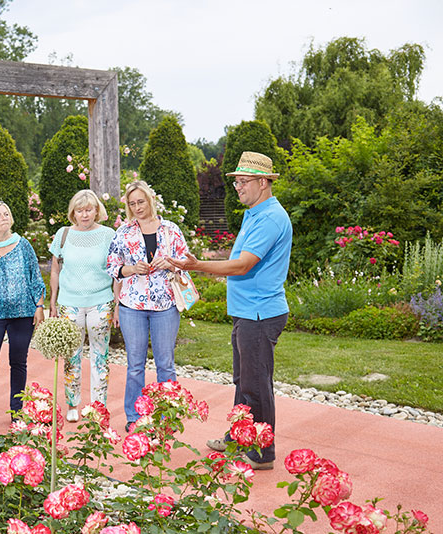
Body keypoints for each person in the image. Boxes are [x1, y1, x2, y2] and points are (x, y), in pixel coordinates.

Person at [169, 151, 292, 470]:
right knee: (244, 379)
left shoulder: (271, 217)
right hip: (248, 312)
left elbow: (242, 265)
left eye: (243, 181)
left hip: (261, 313)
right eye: (236, 181)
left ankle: (263, 451)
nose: (237, 186)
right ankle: (240, 436)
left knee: (256, 383)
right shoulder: (255, 213)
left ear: (263, 182)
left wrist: (197, 265)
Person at [106, 181, 190, 433]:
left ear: (150, 200)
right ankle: (134, 416)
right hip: (132, 304)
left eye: (140, 201)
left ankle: (167, 416)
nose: (137, 207)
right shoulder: (123, 232)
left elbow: (187, 260)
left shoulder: (171, 229)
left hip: (165, 304)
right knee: (135, 365)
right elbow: (111, 266)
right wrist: (131, 269)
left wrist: (171, 262)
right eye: (132, 204)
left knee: (165, 363)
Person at [0, 201, 45, 416]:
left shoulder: (23, 245)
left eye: (6, 214)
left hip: (22, 313)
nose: (4, 217)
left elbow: (35, 278)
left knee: (19, 363)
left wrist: (39, 306)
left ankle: (17, 411)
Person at [49, 190, 115, 422]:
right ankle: (72, 403)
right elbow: (56, 270)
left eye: (89, 210)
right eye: (80, 210)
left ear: (97, 210)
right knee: (72, 356)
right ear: (73, 213)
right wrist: (53, 301)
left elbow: (116, 271)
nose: (84, 215)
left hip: (101, 302)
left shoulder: (108, 235)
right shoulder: (63, 234)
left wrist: (115, 306)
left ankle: (98, 406)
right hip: (69, 303)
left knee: (100, 356)